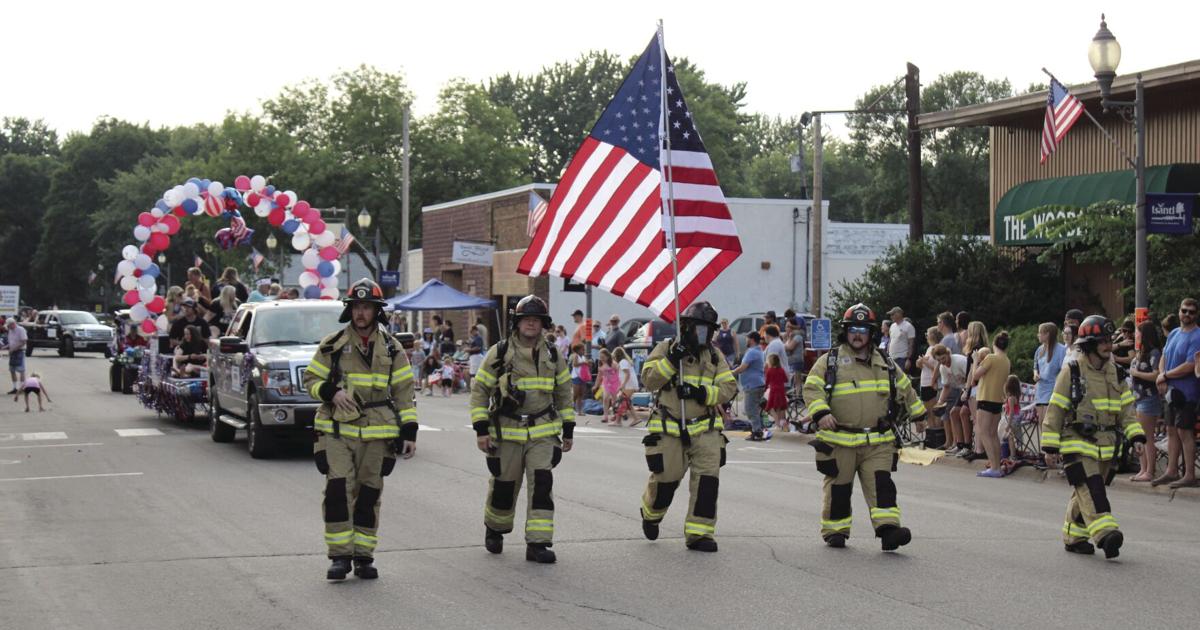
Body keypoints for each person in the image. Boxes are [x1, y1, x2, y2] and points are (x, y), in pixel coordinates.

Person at [302, 278, 418, 580]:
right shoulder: (333, 345)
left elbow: (405, 392)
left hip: (379, 434)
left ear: (377, 311)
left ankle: (364, 556)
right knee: (338, 490)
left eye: (366, 307)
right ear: (349, 311)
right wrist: (332, 393)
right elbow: (311, 381)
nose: (361, 313)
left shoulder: (393, 349)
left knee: (369, 494)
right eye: (356, 307)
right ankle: (340, 557)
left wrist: (409, 432)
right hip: (338, 431)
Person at [802, 303, 926, 551]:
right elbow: (812, 388)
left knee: (882, 486)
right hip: (840, 441)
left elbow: (905, 389)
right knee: (839, 488)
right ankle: (835, 531)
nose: (857, 334)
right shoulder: (831, 361)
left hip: (878, 441)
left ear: (870, 333)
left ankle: (889, 530)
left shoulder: (886, 362)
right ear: (845, 332)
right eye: (853, 329)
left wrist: (919, 414)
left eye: (863, 329)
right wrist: (821, 412)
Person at [469, 295, 574, 564]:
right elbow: (480, 390)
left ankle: (538, 543)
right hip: (507, 432)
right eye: (526, 318)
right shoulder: (500, 352)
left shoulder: (553, 354)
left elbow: (564, 392)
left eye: (536, 319)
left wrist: (569, 428)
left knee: (542, 485)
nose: (531, 323)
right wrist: (481, 429)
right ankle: (496, 528)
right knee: (504, 487)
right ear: (517, 322)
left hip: (542, 432)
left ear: (543, 324)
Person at [639, 301, 737, 553]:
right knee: (666, 481)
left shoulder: (715, 356)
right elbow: (649, 380)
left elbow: (728, 389)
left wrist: (701, 393)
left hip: (705, 431)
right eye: (699, 328)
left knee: (707, 483)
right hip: (670, 429)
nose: (703, 334)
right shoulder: (666, 348)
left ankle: (699, 533)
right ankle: (651, 513)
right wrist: (672, 359)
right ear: (688, 327)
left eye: (708, 330)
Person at [1042, 315, 1143, 559]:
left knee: (1083, 492)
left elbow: (1127, 410)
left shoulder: (1117, 374)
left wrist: (1136, 436)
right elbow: (1056, 407)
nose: (1109, 345)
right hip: (1077, 442)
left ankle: (1074, 536)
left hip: (1107, 446)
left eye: (1109, 340)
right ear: (1089, 344)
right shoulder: (1072, 371)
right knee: (1092, 489)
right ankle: (1106, 534)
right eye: (1103, 341)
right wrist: (1049, 445)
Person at [1152, 298, 1200, 488]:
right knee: (1171, 430)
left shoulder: (1197, 336)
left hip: (1187, 394)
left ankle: (1189, 474)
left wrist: (1164, 375)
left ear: (1196, 315)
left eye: (1191, 312)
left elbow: (1190, 365)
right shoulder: (1173, 333)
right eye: (1184, 310)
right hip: (1170, 391)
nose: (1187, 314)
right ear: (1179, 311)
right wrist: (1162, 375)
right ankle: (1171, 471)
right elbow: (1164, 355)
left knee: (1184, 431)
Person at [971, 331, 1012, 477]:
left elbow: (976, 375)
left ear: (994, 344)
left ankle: (994, 466)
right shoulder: (1006, 360)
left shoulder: (991, 358)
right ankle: (997, 466)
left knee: (983, 432)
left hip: (985, 397)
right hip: (997, 399)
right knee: (993, 434)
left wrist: (975, 360)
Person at [1128, 320, 1163, 482]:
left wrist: (1136, 373)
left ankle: (1150, 471)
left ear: (1144, 334)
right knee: (1140, 436)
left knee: (1147, 436)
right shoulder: (1140, 351)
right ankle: (1143, 469)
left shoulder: (1154, 353)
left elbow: (1156, 374)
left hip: (1148, 397)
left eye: (1137, 332)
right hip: (1137, 397)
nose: (1135, 335)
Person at [932, 344, 969, 453]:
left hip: (972, 388)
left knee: (963, 413)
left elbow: (972, 375)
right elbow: (946, 387)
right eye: (939, 360)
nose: (942, 361)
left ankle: (967, 445)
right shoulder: (943, 367)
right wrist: (940, 402)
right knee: (953, 413)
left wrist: (967, 390)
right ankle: (959, 444)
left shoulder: (959, 361)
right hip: (963, 390)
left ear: (948, 354)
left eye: (943, 358)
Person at [732, 331, 767, 440]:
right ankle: (758, 429)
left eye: (747, 338)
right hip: (756, 384)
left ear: (751, 340)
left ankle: (757, 432)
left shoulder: (752, 352)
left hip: (753, 385)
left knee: (750, 409)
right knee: (754, 409)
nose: (746, 340)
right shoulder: (758, 350)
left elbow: (743, 367)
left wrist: (731, 373)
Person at [1033, 323, 1067, 432]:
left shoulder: (1061, 349)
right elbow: (1035, 366)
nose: (1038, 335)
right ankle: (1044, 448)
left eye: (1040, 333)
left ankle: (1051, 448)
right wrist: (1035, 374)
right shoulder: (1039, 350)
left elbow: (1064, 370)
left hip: (1052, 389)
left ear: (1047, 334)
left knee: (1049, 422)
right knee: (1041, 422)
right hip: (1040, 389)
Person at [613, 346, 641, 426]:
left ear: (617, 356)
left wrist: (622, 385)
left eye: (614, 356)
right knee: (627, 402)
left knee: (621, 400)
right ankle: (635, 418)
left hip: (629, 385)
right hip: (630, 384)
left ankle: (618, 421)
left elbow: (627, 374)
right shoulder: (624, 361)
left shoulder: (623, 362)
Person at [886, 307, 917, 375]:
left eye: (892, 314)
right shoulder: (892, 326)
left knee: (901, 380)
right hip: (891, 358)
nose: (891, 317)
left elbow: (911, 344)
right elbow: (891, 340)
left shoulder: (908, 326)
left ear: (899, 314)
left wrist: (909, 359)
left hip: (902, 358)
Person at [764, 354, 789, 433]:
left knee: (771, 407)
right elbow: (786, 379)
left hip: (773, 391)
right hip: (781, 391)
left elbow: (766, 382)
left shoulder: (770, 371)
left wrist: (764, 389)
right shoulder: (781, 370)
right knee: (781, 407)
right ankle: (783, 424)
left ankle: (777, 424)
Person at [5, 318, 28, 395]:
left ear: (12, 324)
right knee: (12, 370)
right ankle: (15, 388)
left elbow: (23, 342)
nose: (8, 327)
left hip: (19, 351)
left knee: (21, 370)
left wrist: (13, 349)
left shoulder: (21, 329)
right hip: (13, 351)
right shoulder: (10, 330)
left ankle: (22, 388)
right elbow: (12, 341)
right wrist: (6, 347)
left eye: (8, 325)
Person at [597, 348, 620, 424]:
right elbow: (599, 375)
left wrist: (620, 383)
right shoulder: (601, 364)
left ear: (607, 356)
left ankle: (615, 414)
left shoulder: (614, 364)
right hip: (606, 383)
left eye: (603, 357)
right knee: (605, 398)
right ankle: (605, 416)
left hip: (615, 383)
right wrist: (596, 385)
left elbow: (619, 373)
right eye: (600, 357)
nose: (601, 359)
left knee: (614, 400)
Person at [784, 318, 806, 391]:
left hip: (796, 361)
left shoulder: (798, 336)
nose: (786, 328)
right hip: (790, 361)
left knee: (797, 381)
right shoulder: (789, 337)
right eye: (786, 326)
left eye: (788, 326)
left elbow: (790, 347)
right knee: (792, 381)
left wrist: (782, 345)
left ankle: (797, 397)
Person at [570, 343, 590, 413]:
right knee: (576, 394)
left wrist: (588, 363)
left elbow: (587, 364)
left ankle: (579, 410)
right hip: (576, 377)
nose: (584, 350)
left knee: (581, 394)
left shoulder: (584, 357)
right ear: (578, 350)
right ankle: (572, 406)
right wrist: (583, 363)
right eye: (582, 349)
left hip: (582, 377)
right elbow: (574, 364)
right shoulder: (576, 356)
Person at [467, 326, 485, 390]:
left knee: (474, 372)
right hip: (473, 357)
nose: (471, 333)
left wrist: (469, 350)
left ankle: (475, 387)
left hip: (476, 356)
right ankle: (473, 386)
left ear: (475, 330)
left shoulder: (478, 338)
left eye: (472, 332)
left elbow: (478, 347)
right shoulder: (474, 338)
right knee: (472, 371)